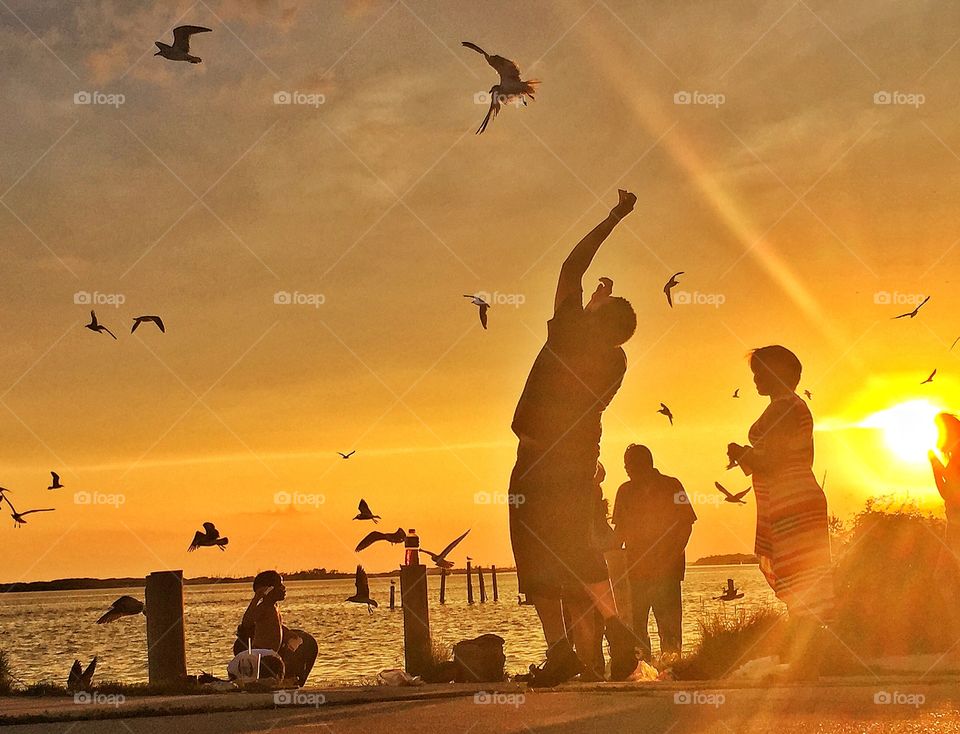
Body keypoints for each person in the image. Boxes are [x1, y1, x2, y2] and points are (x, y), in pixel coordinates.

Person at [509, 190, 641, 684]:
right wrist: (595, 308)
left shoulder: (569, 334)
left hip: (538, 462)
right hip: (580, 464)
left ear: (594, 321)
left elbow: (570, 265)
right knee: (578, 550)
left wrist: (613, 217)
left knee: (533, 551)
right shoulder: (615, 359)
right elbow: (588, 329)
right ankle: (617, 626)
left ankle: (560, 650)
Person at [727, 346, 833, 671]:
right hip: (793, 495)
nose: (756, 378)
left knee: (801, 575)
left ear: (778, 373)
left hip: (792, 498)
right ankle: (809, 656)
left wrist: (740, 452)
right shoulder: (790, 407)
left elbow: (772, 458)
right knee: (802, 575)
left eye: (760, 372)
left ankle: (808, 657)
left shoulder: (786, 408)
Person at [612, 444, 696, 662]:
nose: (627, 469)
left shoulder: (671, 485)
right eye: (626, 465)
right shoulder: (625, 491)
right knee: (638, 627)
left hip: (666, 572)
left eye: (629, 464)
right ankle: (643, 668)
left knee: (667, 626)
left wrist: (672, 555)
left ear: (644, 463)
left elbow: (686, 523)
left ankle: (669, 667)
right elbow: (619, 533)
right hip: (637, 571)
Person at [233, 571, 318, 687]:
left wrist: (287, 632)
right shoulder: (264, 607)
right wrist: (257, 597)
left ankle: (290, 679)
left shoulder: (274, 606)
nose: (284, 588)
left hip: (274, 652)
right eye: (280, 585)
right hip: (263, 654)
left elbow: (273, 625)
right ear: (268, 590)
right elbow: (247, 621)